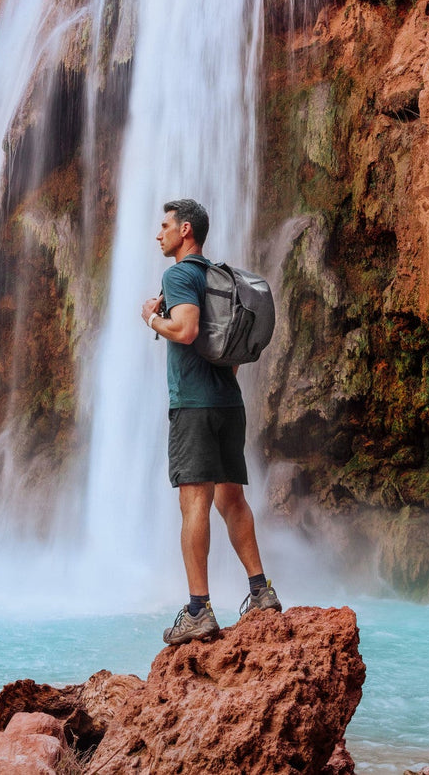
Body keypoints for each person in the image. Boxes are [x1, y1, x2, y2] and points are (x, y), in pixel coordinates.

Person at [141, 198, 282, 644]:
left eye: (164, 226)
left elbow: (184, 330)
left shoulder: (179, 274)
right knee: (231, 501)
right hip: (228, 404)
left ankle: (199, 609)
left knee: (194, 505)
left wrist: (150, 317)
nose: (157, 233)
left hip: (194, 407)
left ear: (186, 230)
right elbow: (232, 350)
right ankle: (261, 591)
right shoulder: (220, 276)